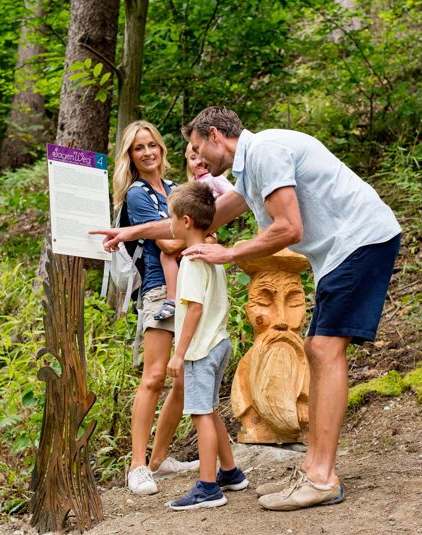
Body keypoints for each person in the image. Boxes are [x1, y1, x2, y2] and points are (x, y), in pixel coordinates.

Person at [92, 107, 401, 511]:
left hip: (359, 241)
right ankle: (314, 470)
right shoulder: (252, 166)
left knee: (325, 350)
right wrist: (134, 231)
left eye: (199, 149)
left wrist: (230, 252)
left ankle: (322, 476)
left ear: (216, 136)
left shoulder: (266, 153)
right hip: (341, 251)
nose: (198, 160)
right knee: (318, 349)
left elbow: (289, 228)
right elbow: (200, 222)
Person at [106, 120, 198, 495]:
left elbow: (194, 233)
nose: (147, 153)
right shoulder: (137, 195)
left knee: (185, 377)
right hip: (159, 291)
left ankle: (159, 460)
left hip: (193, 287)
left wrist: (188, 235)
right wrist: (191, 233)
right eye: (138, 148)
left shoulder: (178, 189)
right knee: (154, 376)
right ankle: (137, 465)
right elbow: (171, 245)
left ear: (161, 149)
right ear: (130, 156)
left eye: (151, 145)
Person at [165, 181, 248, 510]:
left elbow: (194, 308)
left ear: (185, 221)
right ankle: (230, 472)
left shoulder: (191, 260)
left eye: (171, 218)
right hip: (219, 341)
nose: (168, 224)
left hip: (200, 349)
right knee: (211, 410)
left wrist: (179, 354)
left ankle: (208, 486)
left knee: (201, 414)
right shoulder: (213, 254)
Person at [153, 143, 233, 321]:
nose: (198, 162)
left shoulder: (214, 178)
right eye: (192, 158)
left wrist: (213, 213)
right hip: (194, 231)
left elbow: (234, 195)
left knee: (176, 257)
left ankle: (174, 299)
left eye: (201, 157)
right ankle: (175, 298)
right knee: (171, 257)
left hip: (206, 229)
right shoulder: (194, 183)